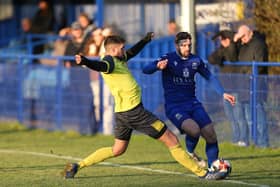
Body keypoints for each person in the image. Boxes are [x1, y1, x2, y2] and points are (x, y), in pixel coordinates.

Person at [62, 32, 228, 180]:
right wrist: (85, 61)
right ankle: (204, 174)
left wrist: (145, 40)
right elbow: (100, 66)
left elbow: (132, 52)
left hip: (122, 114)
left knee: (117, 149)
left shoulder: (119, 58)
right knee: (172, 140)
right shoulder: (109, 62)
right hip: (135, 113)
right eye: (121, 48)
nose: (124, 51)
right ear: (112, 50)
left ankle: (78, 165)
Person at [143, 32, 236, 169]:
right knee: (193, 129)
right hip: (174, 107)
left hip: (192, 103)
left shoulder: (195, 61)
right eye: (184, 45)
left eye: (189, 45)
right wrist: (157, 66)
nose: (187, 48)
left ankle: (213, 168)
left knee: (210, 134)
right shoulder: (168, 58)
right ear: (177, 45)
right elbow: (146, 69)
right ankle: (190, 153)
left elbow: (209, 77)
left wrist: (222, 93)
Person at [208, 30, 248, 146]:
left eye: (224, 40)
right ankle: (236, 138)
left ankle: (243, 139)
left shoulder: (236, 48)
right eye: (221, 40)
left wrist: (229, 46)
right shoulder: (222, 50)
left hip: (236, 88)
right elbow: (211, 58)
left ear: (229, 40)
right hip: (225, 89)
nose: (222, 42)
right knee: (230, 115)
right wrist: (221, 55)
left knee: (239, 114)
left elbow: (232, 58)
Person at [233, 24, 269, 147]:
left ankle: (263, 143)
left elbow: (260, 64)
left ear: (250, 33)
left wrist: (248, 74)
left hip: (256, 85)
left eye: (243, 36)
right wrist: (235, 40)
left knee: (259, 115)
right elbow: (232, 55)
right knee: (248, 116)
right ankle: (254, 142)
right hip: (244, 85)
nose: (242, 39)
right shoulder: (243, 45)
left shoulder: (259, 44)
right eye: (240, 37)